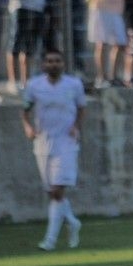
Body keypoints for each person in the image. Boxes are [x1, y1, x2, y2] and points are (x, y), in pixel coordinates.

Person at [21, 48, 86, 251]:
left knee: (58, 190)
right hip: (42, 142)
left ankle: (49, 241)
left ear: (63, 64)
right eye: (49, 61)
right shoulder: (34, 85)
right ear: (44, 64)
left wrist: (76, 126)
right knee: (52, 193)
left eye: (57, 60)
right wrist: (28, 127)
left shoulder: (74, 84)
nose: (53, 64)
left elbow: (82, 107)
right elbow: (25, 109)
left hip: (66, 142)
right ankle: (73, 222)